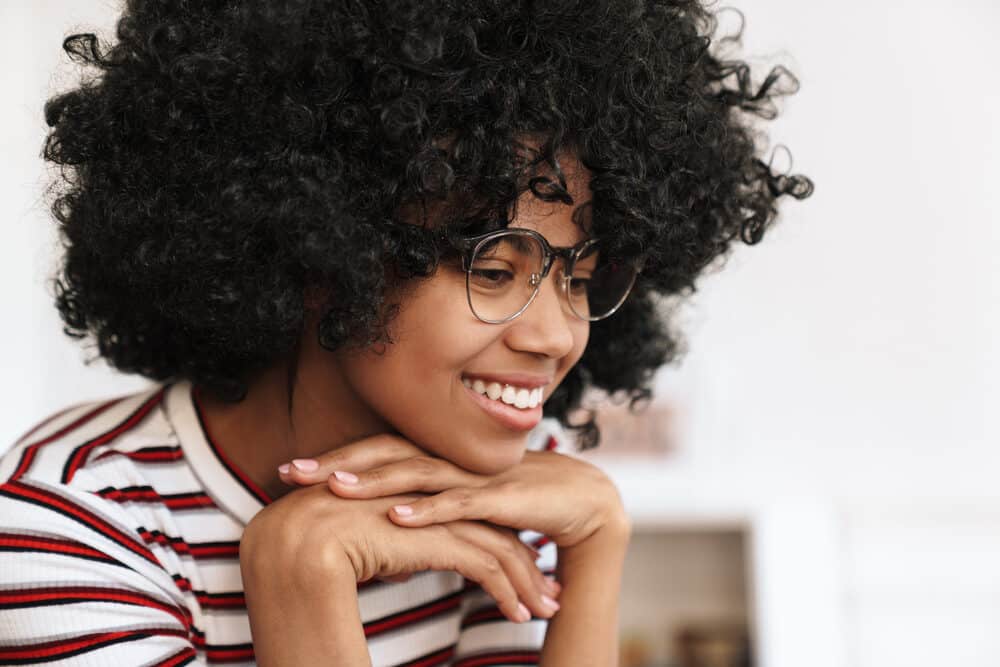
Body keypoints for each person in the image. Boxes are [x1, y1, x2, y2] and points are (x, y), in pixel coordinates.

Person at [0, 1, 813, 665]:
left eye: (576, 274)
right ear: (323, 252)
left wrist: (597, 545)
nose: (553, 336)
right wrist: (299, 582)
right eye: (493, 269)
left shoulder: (505, 498)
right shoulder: (67, 526)